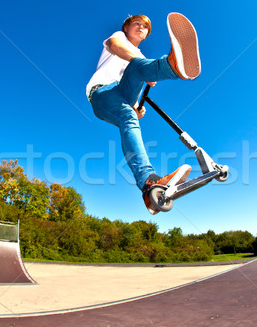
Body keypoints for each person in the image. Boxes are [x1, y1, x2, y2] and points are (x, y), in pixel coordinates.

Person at [86, 12, 201, 213]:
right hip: (101, 92)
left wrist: (136, 109)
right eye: (136, 24)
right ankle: (171, 66)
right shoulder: (120, 38)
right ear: (126, 28)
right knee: (138, 66)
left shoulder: (141, 59)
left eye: (145, 27)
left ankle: (150, 187)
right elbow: (113, 46)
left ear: (147, 35)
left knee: (129, 114)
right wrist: (148, 68)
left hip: (123, 96)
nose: (141, 27)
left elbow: (132, 102)